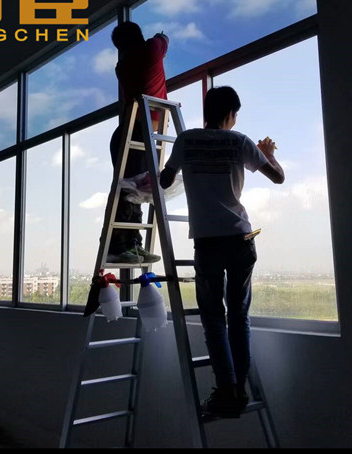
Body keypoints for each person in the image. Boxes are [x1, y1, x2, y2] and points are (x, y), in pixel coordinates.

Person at [159, 86, 285, 417]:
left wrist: (180, 170)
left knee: (214, 318)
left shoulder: (186, 141)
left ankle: (226, 390)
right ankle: (239, 391)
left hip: (208, 242)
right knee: (238, 316)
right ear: (230, 113)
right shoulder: (240, 141)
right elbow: (278, 178)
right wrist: (268, 153)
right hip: (241, 237)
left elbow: (165, 180)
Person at [106, 22, 169, 264]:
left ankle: (133, 244)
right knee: (131, 190)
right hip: (138, 133)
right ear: (140, 36)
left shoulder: (121, 66)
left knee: (137, 188)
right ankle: (119, 246)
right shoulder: (152, 49)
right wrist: (160, 35)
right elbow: (164, 40)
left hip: (128, 132)